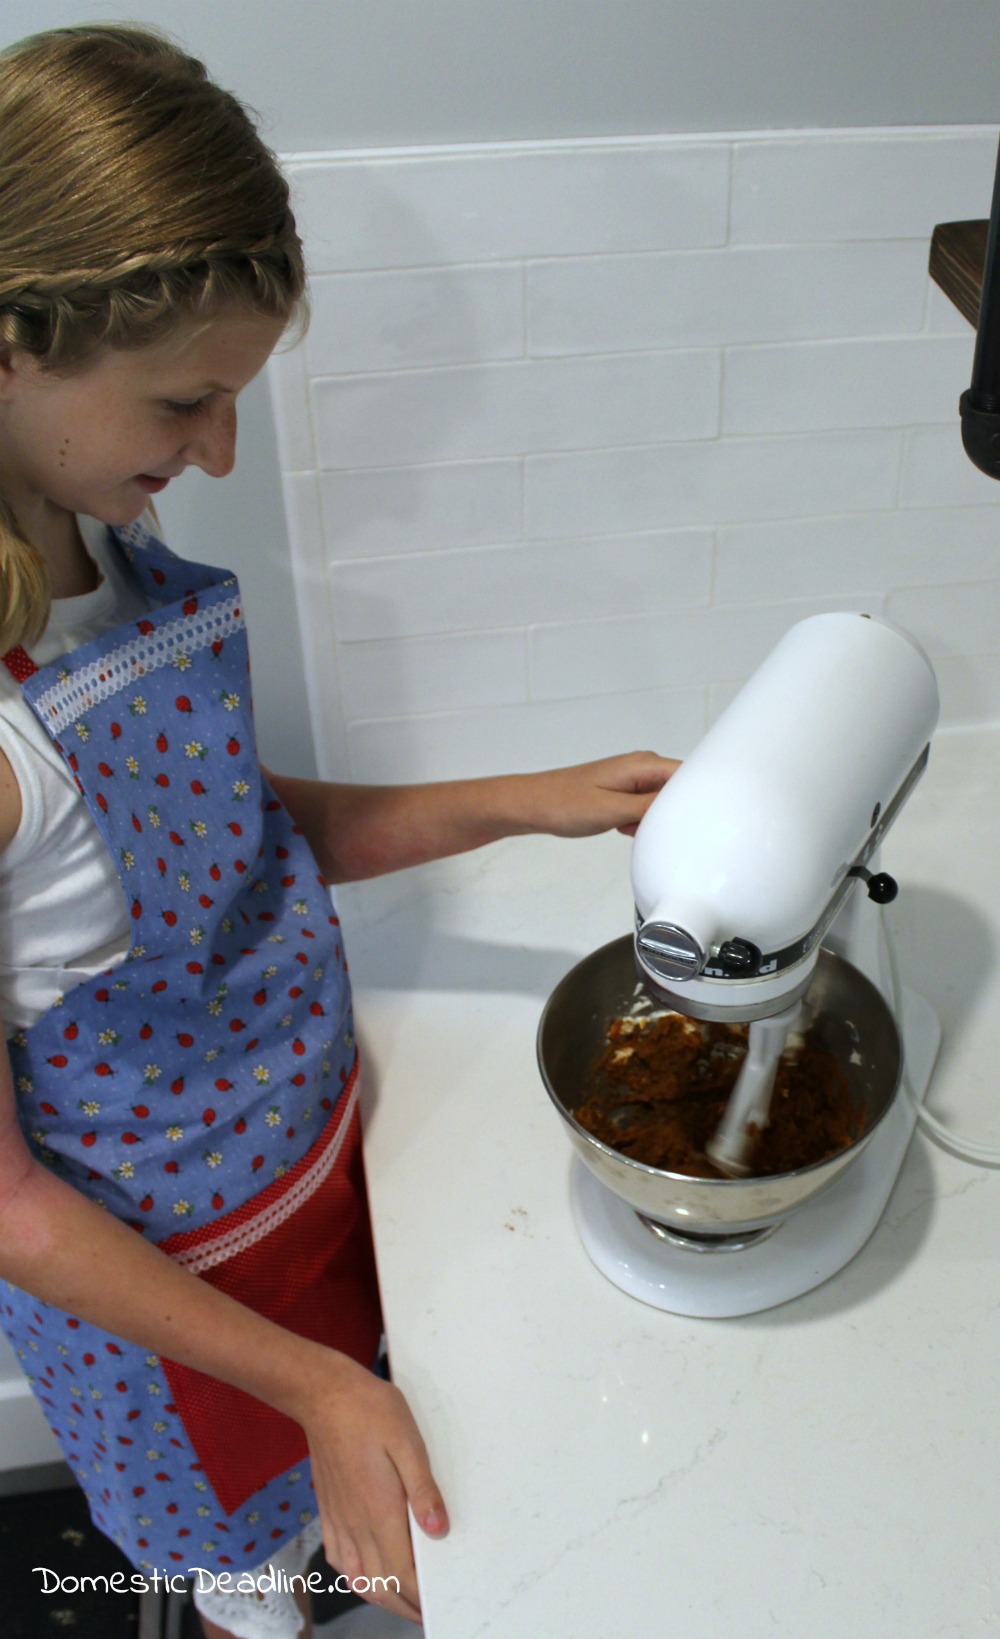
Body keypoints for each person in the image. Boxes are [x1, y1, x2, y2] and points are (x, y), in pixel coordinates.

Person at [0, 24, 676, 1639]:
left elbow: (233, 829)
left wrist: (531, 801)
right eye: (188, 400)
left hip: (311, 1182)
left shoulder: (108, 561)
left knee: (375, 1506)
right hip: (179, 1309)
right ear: (13, 343)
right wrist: (307, 1380)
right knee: (264, 1588)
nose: (218, 452)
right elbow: (11, 1208)